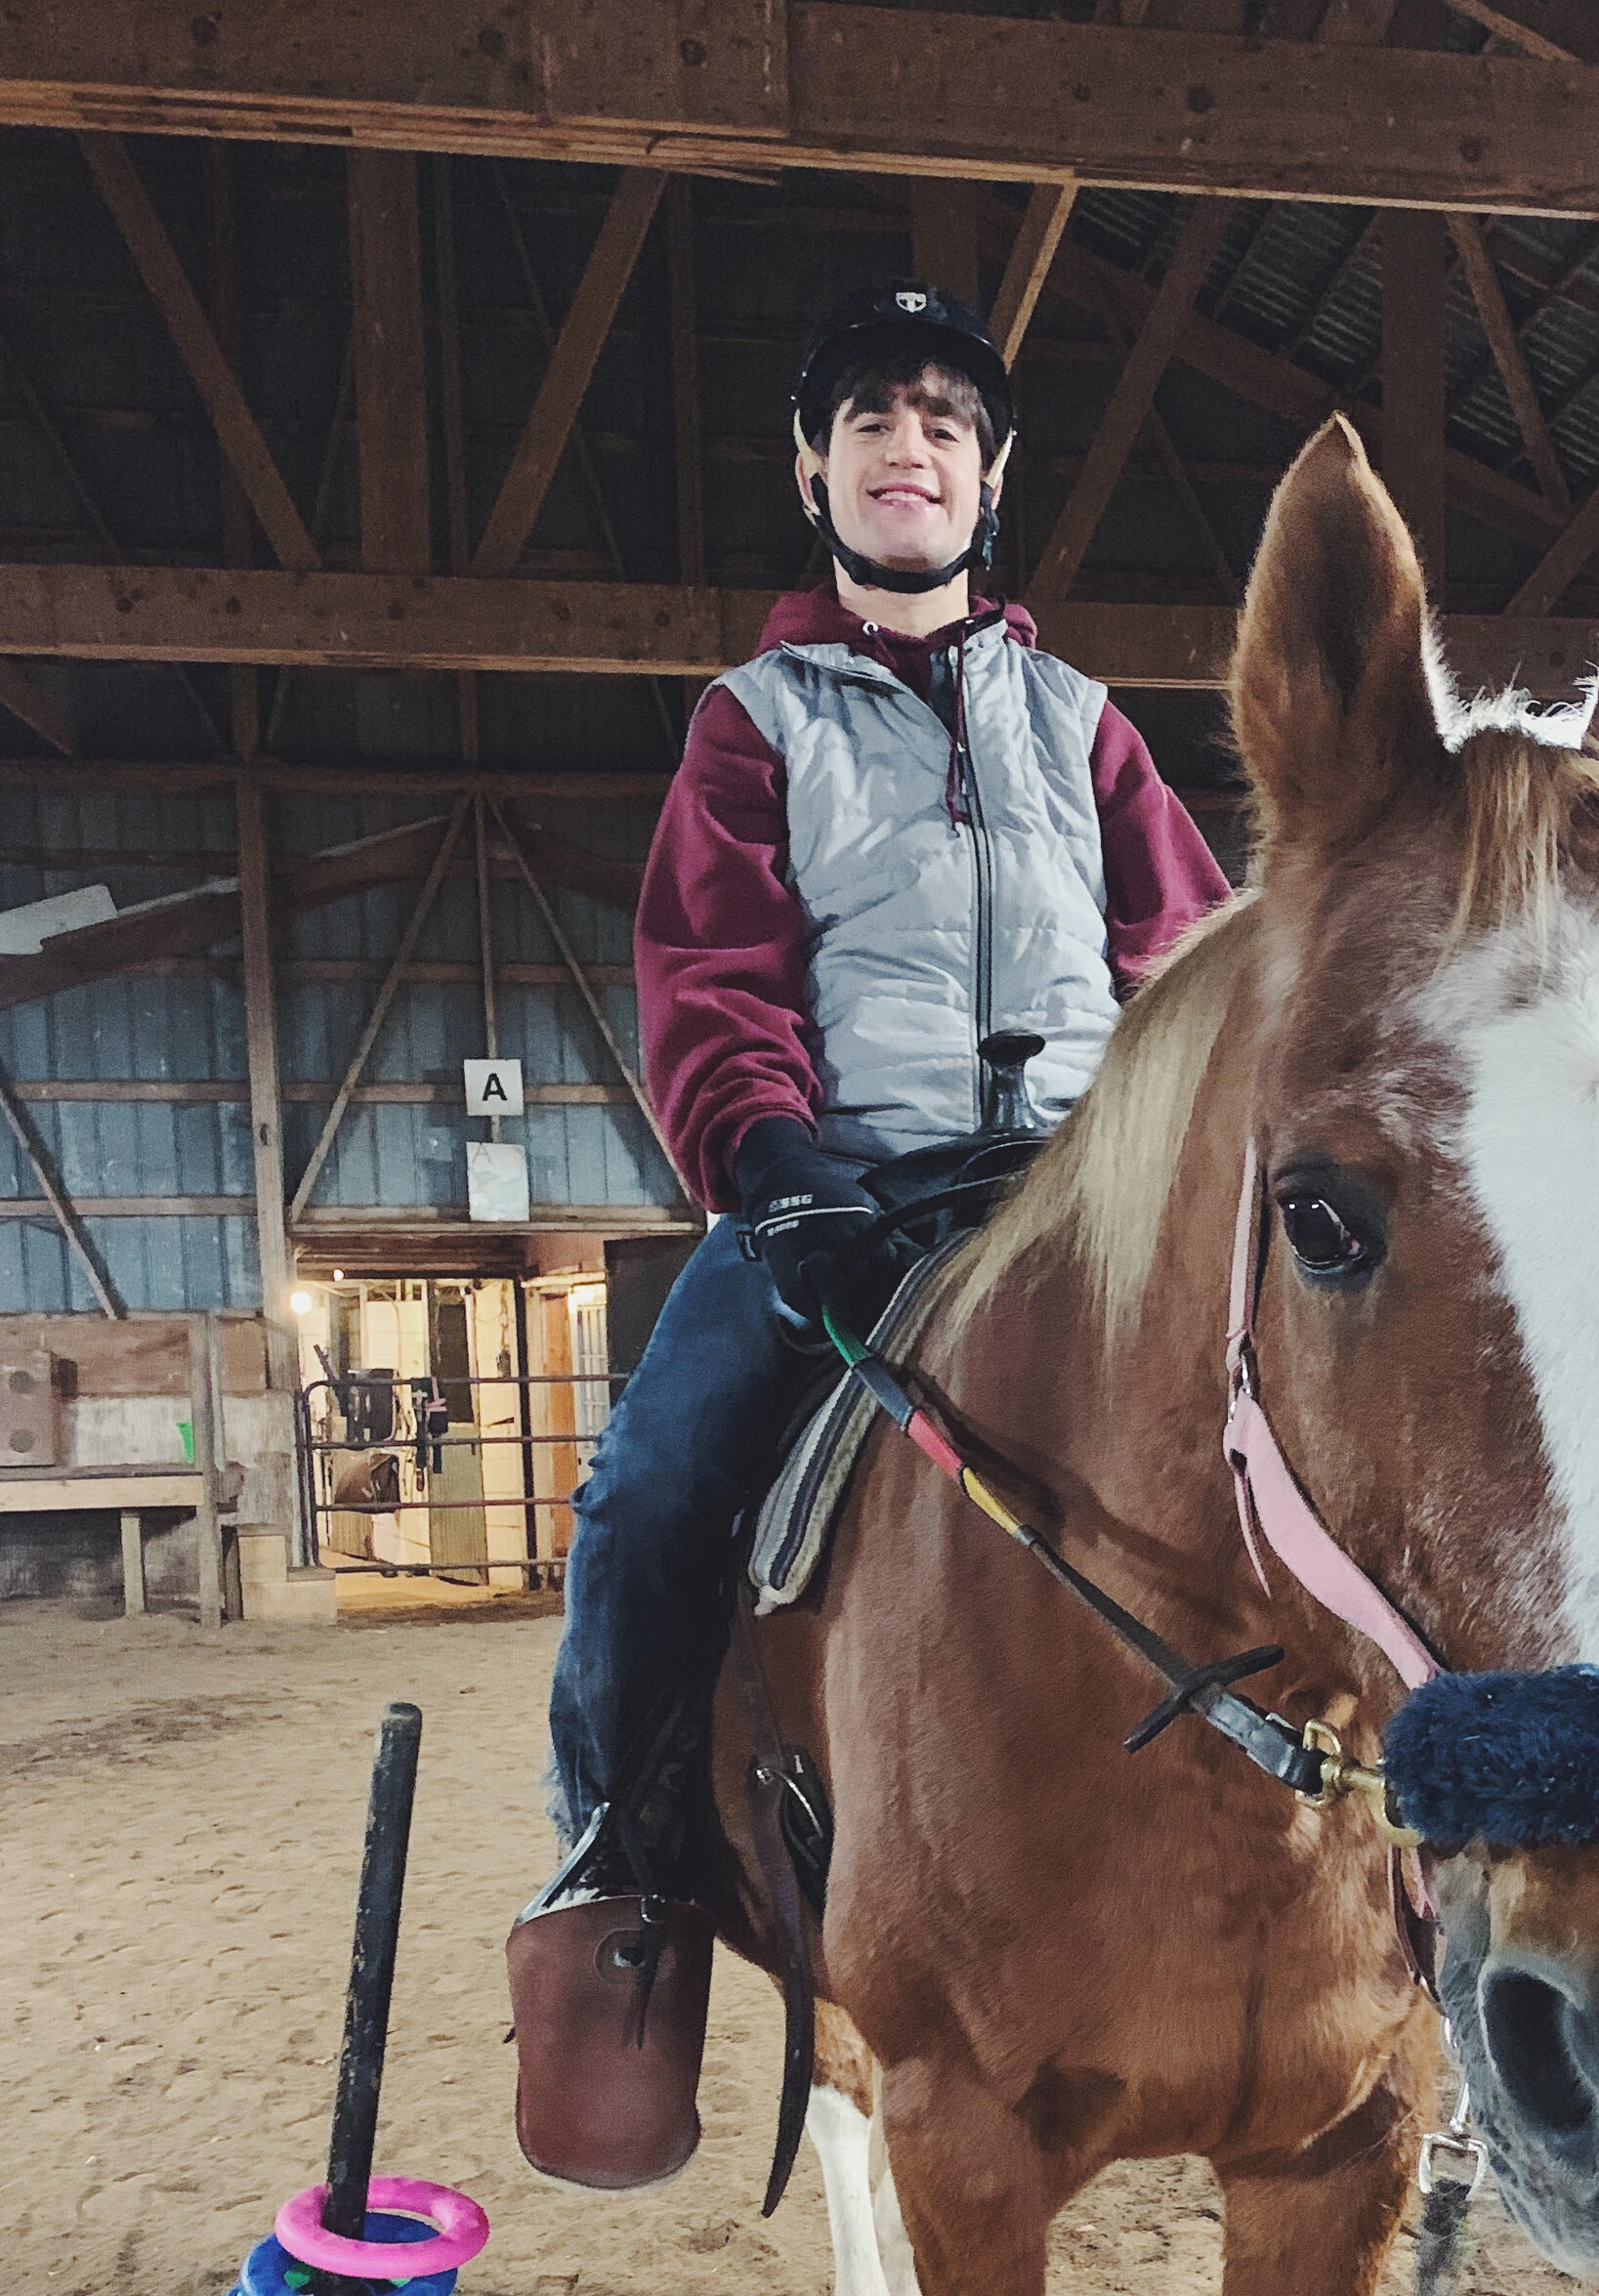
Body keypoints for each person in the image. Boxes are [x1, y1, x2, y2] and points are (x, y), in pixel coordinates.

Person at [516, 283, 1228, 2179]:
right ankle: (626, 1868)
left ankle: (1427, 1847)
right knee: (653, 1486)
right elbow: (712, 972)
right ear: (814, 467)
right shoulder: (750, 724)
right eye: (869, 420)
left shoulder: (1085, 727)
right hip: (850, 1189)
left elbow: (1186, 956)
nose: (906, 446)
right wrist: (776, 1161)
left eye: (942, 421)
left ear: (987, 476)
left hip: (1084, 1187)